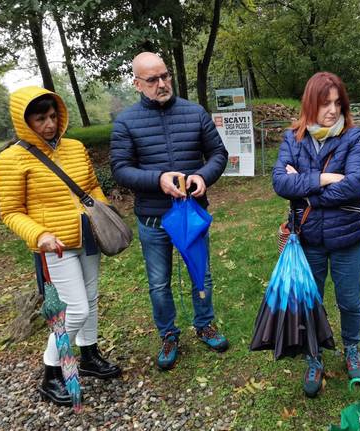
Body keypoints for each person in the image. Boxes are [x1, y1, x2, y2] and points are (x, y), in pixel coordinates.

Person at [0, 87, 121, 407]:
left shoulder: (75, 147)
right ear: (25, 121)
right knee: (74, 308)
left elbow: (91, 185)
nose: (49, 124)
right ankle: (51, 375)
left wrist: (101, 213)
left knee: (90, 300)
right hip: (55, 245)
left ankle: (89, 356)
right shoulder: (11, 159)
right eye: (40, 119)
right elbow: (10, 212)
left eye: (53, 116)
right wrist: (39, 236)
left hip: (88, 234)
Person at [110, 52, 229, 371]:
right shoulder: (126, 121)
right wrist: (157, 180)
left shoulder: (195, 112)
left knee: (200, 273)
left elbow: (218, 153)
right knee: (159, 282)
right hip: (153, 217)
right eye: (153, 79)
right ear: (137, 83)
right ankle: (168, 334)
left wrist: (203, 176)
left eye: (165, 76)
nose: (162, 83)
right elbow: (120, 169)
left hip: (191, 213)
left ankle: (204, 324)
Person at [273, 72, 360, 398]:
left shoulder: (355, 137)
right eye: (324, 103)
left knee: (349, 299)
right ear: (310, 104)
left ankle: (351, 348)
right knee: (310, 300)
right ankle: (314, 356)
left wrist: (307, 188)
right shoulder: (293, 139)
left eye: (337, 102)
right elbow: (280, 183)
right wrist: (328, 178)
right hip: (309, 237)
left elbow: (356, 183)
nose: (332, 110)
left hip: (348, 237)